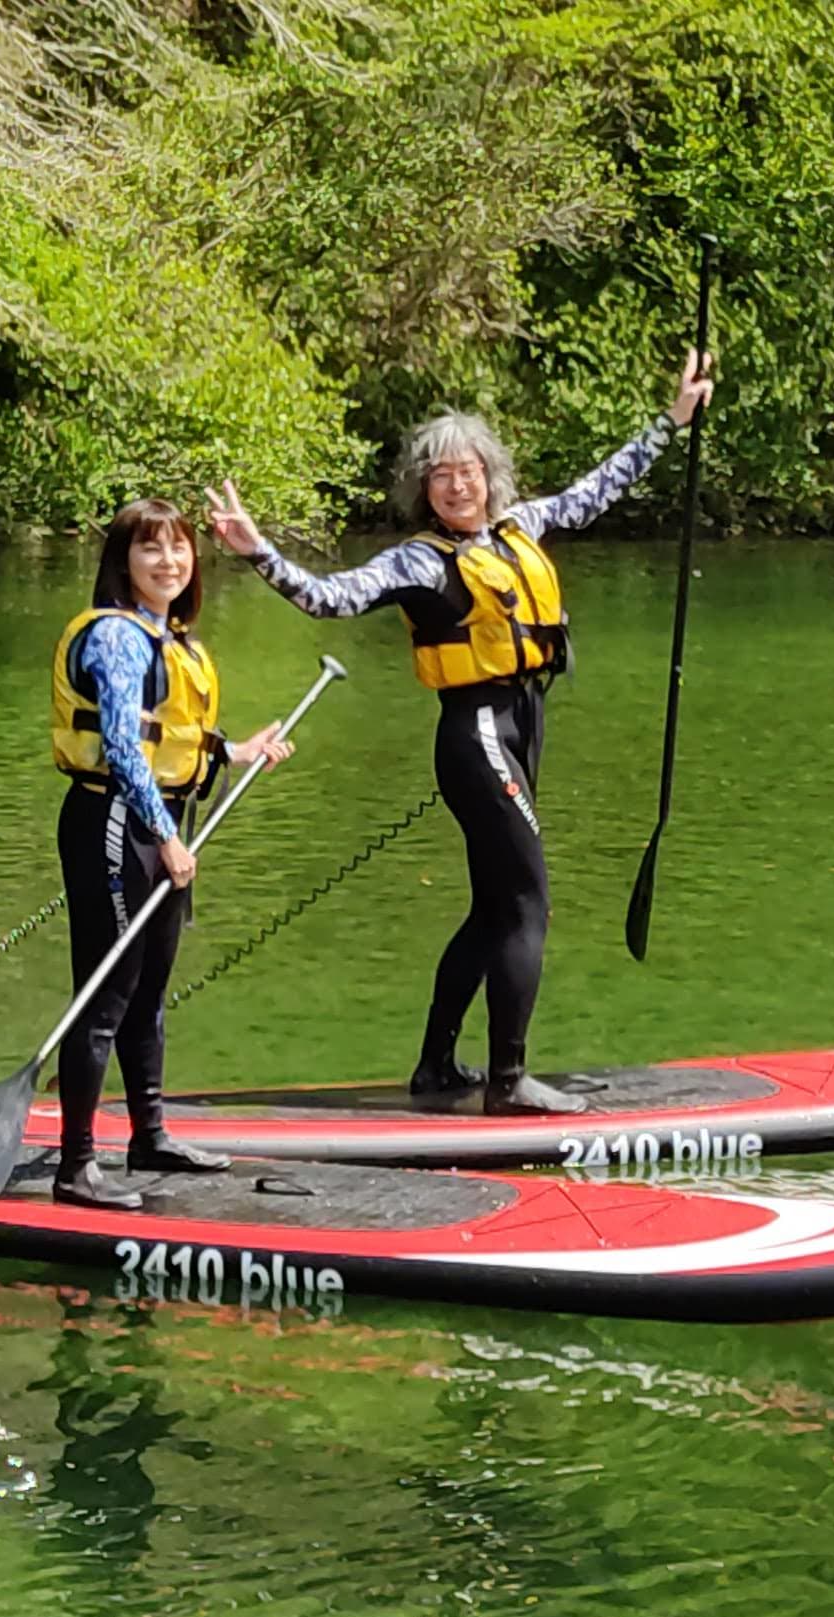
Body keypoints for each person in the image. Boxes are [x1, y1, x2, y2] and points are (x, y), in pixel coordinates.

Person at [207, 352, 713, 1116]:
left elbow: (598, 490)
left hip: (523, 725)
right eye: (439, 474)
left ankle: (437, 1068)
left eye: (466, 470)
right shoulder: (417, 560)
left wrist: (671, 424)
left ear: (490, 476)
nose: (455, 483)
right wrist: (258, 553)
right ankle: (508, 1082)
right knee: (526, 905)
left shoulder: (523, 526)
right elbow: (327, 597)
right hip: (475, 732)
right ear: (424, 488)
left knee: (493, 907)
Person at [49, 498, 293, 1208]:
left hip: (155, 824)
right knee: (105, 998)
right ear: (122, 562)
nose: (169, 562)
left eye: (180, 549)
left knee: (148, 994)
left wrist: (231, 749)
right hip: (117, 823)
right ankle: (76, 1167)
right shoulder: (118, 637)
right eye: (150, 549)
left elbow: (167, 733)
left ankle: (148, 1135)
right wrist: (165, 835)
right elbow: (123, 749)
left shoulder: (167, 637)